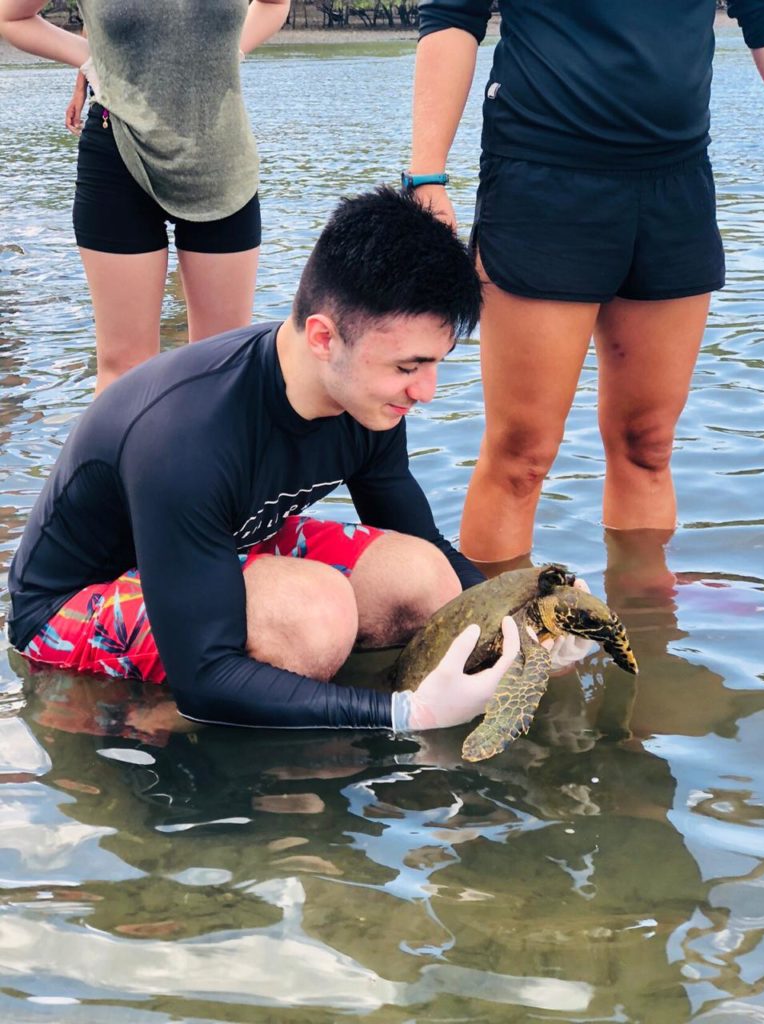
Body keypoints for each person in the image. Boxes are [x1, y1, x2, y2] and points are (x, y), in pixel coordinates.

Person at [6, 188, 592, 736]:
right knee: (313, 615)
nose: (426, 391)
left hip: (216, 552)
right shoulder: (183, 437)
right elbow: (206, 678)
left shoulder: (366, 398)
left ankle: (307, 698)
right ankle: (150, 722)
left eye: (436, 363)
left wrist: (527, 611)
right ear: (322, 337)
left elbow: (424, 541)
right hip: (72, 604)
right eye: (409, 367)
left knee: (424, 578)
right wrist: (407, 713)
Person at [406, 0, 764, 570]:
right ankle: (498, 643)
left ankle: (649, 643)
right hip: (542, 174)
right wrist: (427, 174)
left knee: (648, 445)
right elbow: (453, 17)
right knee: (521, 455)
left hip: (676, 182)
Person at [0, 0, 290, 393]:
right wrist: (88, 58)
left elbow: (276, 4)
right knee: (125, 372)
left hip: (220, 158)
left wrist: (232, 50)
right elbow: (10, 16)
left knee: (222, 370)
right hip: (117, 154)